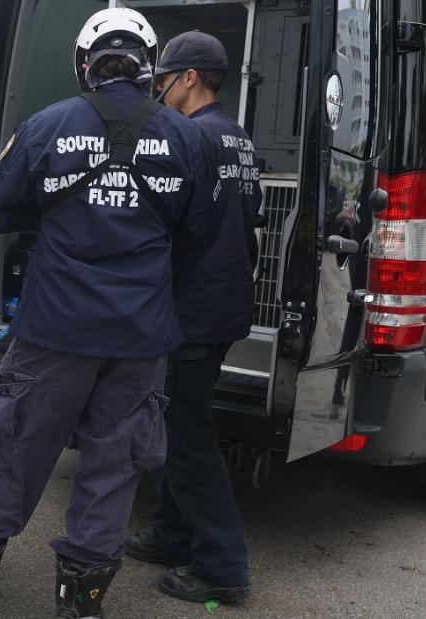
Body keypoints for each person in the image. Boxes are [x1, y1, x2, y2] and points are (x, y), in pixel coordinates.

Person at [0, 9, 219, 619]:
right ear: (149, 64)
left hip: (53, 329)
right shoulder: (188, 137)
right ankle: (80, 606)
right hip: (140, 339)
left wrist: (55, 208)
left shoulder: (46, 125)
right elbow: (200, 233)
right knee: (115, 467)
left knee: (19, 449)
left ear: (83, 64)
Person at [123, 31, 261, 605]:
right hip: (223, 306)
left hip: (192, 312)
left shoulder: (188, 137)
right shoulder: (237, 138)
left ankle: (222, 565)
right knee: (179, 426)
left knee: (187, 439)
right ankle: (173, 534)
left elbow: (177, 227)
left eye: (161, 80)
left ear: (188, 79)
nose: (156, 90)